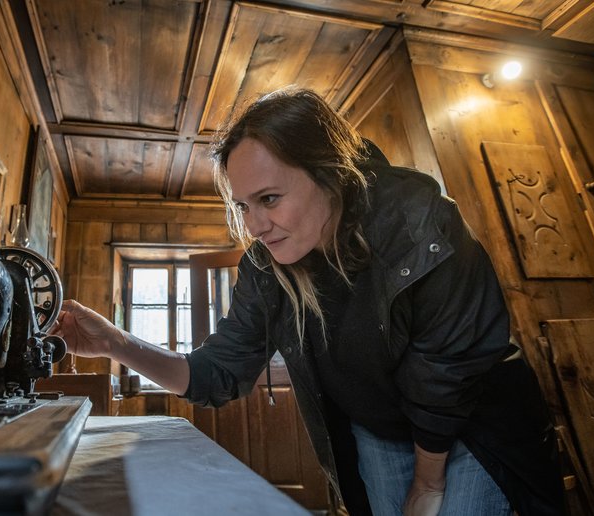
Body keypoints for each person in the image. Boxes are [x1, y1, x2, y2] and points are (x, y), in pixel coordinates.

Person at [52, 87, 563, 515]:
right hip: (380, 430)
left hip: (470, 429)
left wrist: (427, 485)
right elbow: (216, 373)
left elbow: (447, 373)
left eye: (270, 199)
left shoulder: (418, 221)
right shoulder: (265, 268)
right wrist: (115, 343)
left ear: (330, 175)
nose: (254, 226)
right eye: (244, 206)